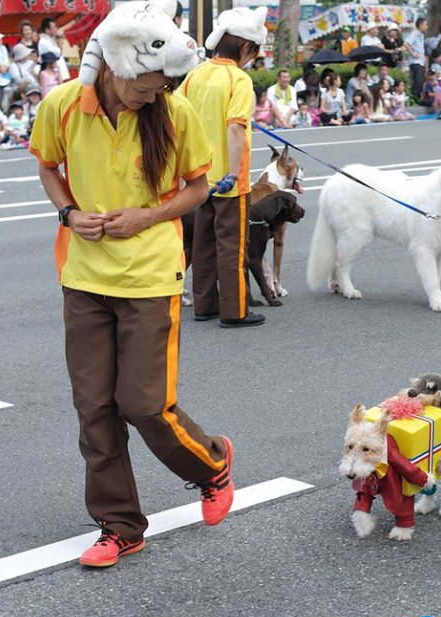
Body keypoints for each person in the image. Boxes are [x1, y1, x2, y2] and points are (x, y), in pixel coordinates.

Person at [29, 0, 235, 568]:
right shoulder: (63, 105)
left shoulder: (175, 111)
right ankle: (119, 526)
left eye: (164, 83)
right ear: (118, 64)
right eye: (148, 83)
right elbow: (47, 165)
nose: (156, 92)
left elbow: (199, 185)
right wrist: (69, 214)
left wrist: (148, 215)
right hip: (83, 275)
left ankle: (212, 463)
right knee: (93, 407)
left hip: (150, 275)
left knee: (145, 404)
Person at [178, 6, 267, 327]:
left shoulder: (196, 74)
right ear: (245, 47)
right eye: (253, 53)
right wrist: (232, 172)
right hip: (231, 181)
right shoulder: (238, 79)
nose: (252, 60)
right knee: (232, 247)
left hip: (200, 179)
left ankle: (204, 305)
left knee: (202, 244)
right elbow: (235, 128)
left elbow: (179, 120)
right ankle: (235, 310)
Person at [38, 18, 69, 82]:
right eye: (54, 27)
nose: (56, 29)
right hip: (51, 73)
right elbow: (58, 52)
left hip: (57, 71)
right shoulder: (43, 41)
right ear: (47, 30)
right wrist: (59, 40)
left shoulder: (51, 39)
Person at [404, 16, 427, 101]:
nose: (426, 27)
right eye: (425, 24)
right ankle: (413, 97)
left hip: (420, 61)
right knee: (417, 80)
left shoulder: (421, 35)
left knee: (420, 81)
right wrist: (412, 52)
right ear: (420, 25)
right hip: (415, 61)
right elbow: (406, 43)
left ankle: (417, 97)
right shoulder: (415, 33)